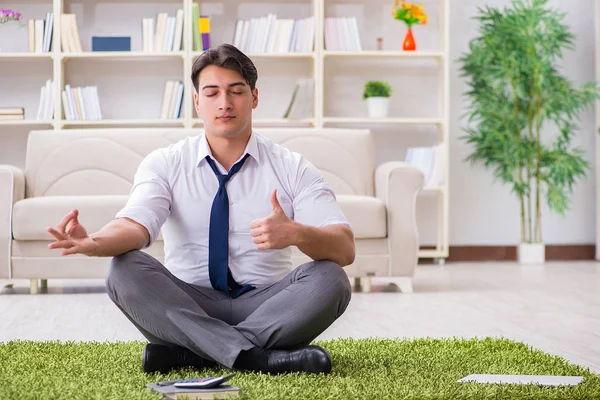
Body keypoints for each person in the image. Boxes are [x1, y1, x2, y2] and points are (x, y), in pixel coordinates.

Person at [47, 44, 354, 375]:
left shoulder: (292, 167)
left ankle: (194, 354)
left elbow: (344, 247)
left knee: (331, 278)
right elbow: (136, 224)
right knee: (123, 269)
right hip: (189, 306)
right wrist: (94, 242)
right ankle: (256, 358)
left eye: (236, 91)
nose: (224, 103)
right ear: (197, 101)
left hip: (268, 306)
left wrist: (297, 233)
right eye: (212, 93)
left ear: (254, 98)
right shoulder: (166, 163)